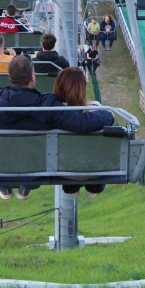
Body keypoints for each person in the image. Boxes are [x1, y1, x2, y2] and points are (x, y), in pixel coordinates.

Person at [0, 55, 113, 200]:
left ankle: (3, 187)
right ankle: (24, 186)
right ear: (32, 76)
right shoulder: (48, 107)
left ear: (10, 77)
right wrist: (108, 115)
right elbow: (82, 123)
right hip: (33, 172)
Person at [53, 67, 111, 199]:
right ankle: (94, 187)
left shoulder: (53, 113)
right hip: (94, 170)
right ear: (82, 87)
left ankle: (70, 187)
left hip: (64, 171)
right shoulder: (96, 110)